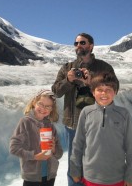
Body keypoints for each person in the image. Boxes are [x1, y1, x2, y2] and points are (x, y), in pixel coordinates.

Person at [51, 33, 119, 186]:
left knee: (97, 163)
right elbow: (56, 91)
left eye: (82, 42)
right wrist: (69, 80)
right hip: (73, 125)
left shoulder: (104, 68)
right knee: (74, 166)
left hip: (98, 124)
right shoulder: (67, 68)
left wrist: (91, 83)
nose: (78, 46)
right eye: (76, 43)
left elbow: (115, 89)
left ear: (91, 45)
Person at [70, 71, 132, 186]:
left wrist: (130, 175)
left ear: (115, 92)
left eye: (108, 90)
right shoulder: (86, 112)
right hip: (90, 176)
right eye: (99, 90)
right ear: (93, 92)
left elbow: (130, 147)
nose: (104, 93)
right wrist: (75, 169)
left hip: (117, 177)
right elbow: (78, 144)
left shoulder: (123, 114)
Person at [9, 89, 63, 186]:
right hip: (32, 177)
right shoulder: (25, 123)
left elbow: (59, 154)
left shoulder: (50, 126)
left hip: (50, 175)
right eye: (41, 104)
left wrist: (54, 150)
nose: (43, 108)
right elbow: (13, 148)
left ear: (52, 109)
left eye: (48, 106)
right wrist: (34, 156)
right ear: (34, 102)